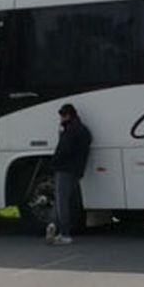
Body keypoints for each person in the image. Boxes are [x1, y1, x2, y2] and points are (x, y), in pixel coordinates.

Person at [46, 103, 92, 245]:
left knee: (62, 202)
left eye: (62, 115)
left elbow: (63, 150)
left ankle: (64, 233)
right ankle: (54, 224)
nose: (60, 118)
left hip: (65, 169)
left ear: (68, 115)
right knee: (66, 200)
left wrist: (53, 163)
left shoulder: (70, 131)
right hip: (77, 170)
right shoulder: (83, 130)